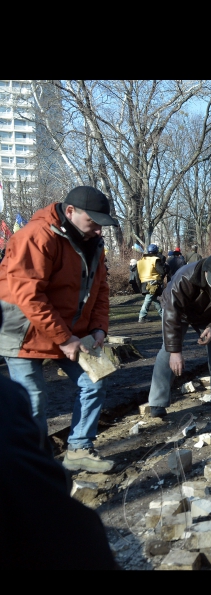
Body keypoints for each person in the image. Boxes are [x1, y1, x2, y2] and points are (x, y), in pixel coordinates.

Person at [0, 185, 117, 473]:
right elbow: (29, 295)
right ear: (70, 212)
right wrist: (65, 338)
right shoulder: (35, 237)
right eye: (94, 222)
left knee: (96, 379)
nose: (99, 231)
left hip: (70, 331)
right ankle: (35, 465)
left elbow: (101, 289)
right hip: (22, 332)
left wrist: (99, 328)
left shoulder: (94, 243)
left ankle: (79, 448)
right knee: (33, 401)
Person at [0, 368, 117, 569]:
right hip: (27, 344)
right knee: (33, 400)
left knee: (92, 382)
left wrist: (96, 333)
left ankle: (77, 448)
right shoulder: (7, 398)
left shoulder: (8, 395)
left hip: (58, 343)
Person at [147, 252, 211, 417]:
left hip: (209, 316)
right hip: (177, 312)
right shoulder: (185, 277)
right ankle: (157, 402)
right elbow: (172, 315)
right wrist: (176, 352)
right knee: (168, 349)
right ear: (205, 270)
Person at [137, 243, 168, 323]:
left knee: (155, 299)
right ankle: (142, 316)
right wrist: (165, 267)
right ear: (156, 251)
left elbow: (137, 275)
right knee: (148, 299)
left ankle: (163, 316)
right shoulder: (155, 259)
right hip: (153, 282)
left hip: (143, 282)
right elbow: (161, 271)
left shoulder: (140, 261)